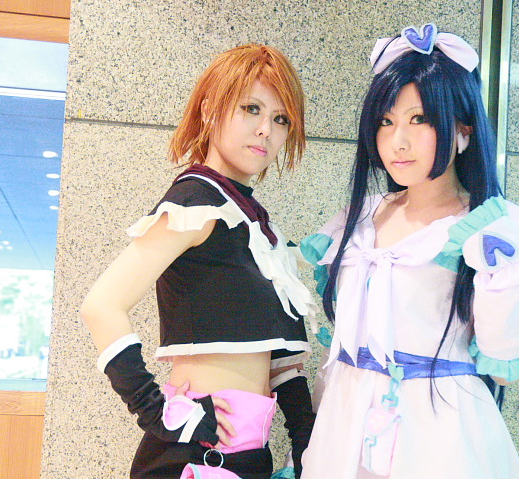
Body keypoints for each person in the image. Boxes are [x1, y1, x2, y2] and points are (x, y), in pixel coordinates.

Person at [299, 24, 519, 479]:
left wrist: (500, 277)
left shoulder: (493, 227)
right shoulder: (360, 216)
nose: (397, 140)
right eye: (386, 121)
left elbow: (504, 368)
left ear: (463, 130)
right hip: (345, 428)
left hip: (439, 437)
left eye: (419, 119)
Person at [81, 44, 317, 479]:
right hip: (196, 456)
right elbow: (101, 306)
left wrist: (305, 436)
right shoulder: (195, 203)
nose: (265, 130)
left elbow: (275, 355)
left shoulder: (252, 221)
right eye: (251, 109)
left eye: (281, 118)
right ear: (210, 110)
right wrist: (159, 414)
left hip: (249, 455)